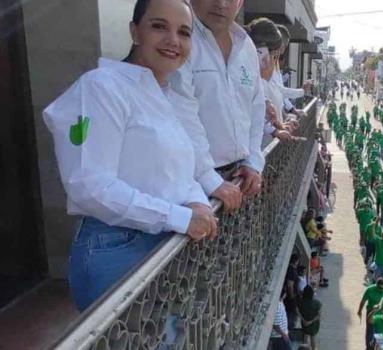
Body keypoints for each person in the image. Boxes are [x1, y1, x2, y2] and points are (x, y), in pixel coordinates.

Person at [43, 0, 217, 310]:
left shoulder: (163, 95)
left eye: (184, 32)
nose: (173, 41)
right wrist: (179, 217)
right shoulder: (102, 87)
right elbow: (88, 186)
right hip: (116, 248)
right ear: (135, 31)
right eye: (159, 26)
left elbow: (179, 169)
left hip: (162, 241)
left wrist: (197, 203)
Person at [171, 0, 272, 209]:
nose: (221, 3)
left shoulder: (246, 46)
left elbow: (255, 106)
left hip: (239, 180)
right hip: (194, 188)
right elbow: (182, 116)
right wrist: (209, 179)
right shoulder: (180, 41)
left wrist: (253, 161)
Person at [358, 278, 383, 348]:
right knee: (370, 333)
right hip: (371, 314)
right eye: (379, 287)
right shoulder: (369, 290)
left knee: (380, 334)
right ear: (376, 285)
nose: (381, 289)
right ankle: (369, 347)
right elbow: (363, 300)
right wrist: (360, 310)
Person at [299, 286, 322, 350]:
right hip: (313, 324)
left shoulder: (301, 302)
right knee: (312, 337)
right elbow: (319, 315)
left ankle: (304, 348)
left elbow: (297, 311)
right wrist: (310, 322)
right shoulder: (317, 303)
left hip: (304, 322)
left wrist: (303, 320)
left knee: (305, 335)